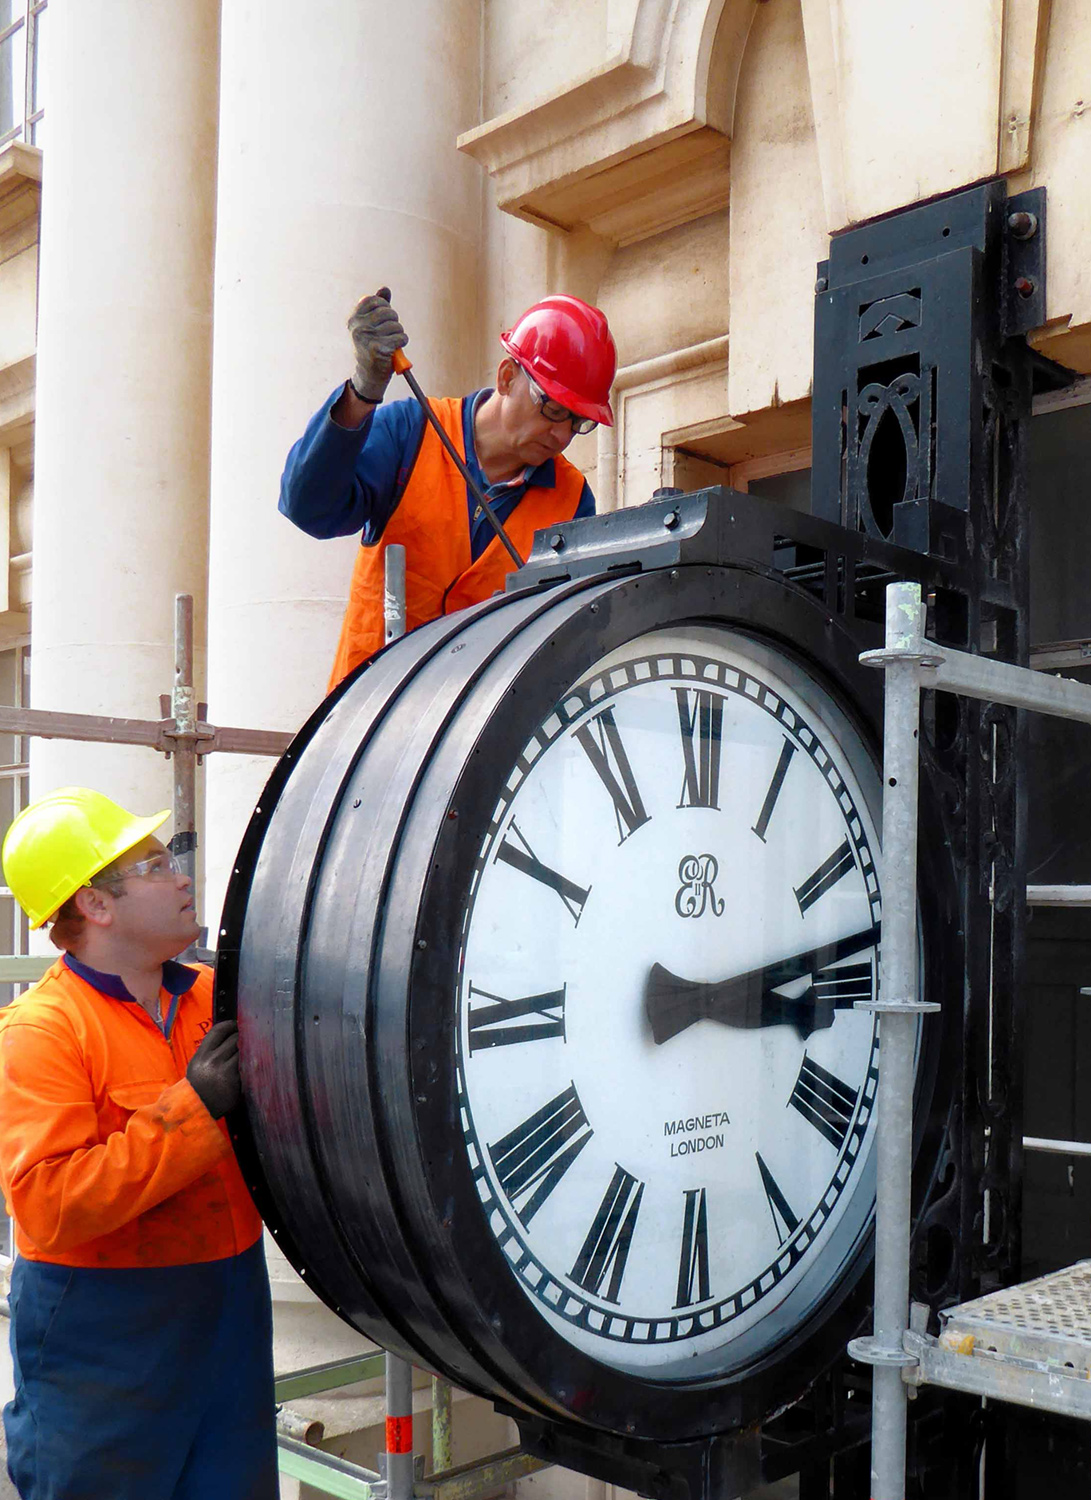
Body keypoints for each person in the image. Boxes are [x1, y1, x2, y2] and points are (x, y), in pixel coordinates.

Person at [0, 787, 276, 1500]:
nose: (182, 876)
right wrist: (194, 1109)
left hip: (228, 1310)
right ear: (95, 904)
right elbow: (46, 1205)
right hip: (104, 1333)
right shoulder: (44, 1033)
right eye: (155, 865)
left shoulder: (215, 997)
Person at [280, 288, 617, 690]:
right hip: (367, 721)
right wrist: (362, 393)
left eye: (579, 421)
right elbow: (308, 507)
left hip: (474, 735)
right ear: (507, 377)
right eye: (553, 409)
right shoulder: (411, 432)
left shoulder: (573, 501)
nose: (562, 434)